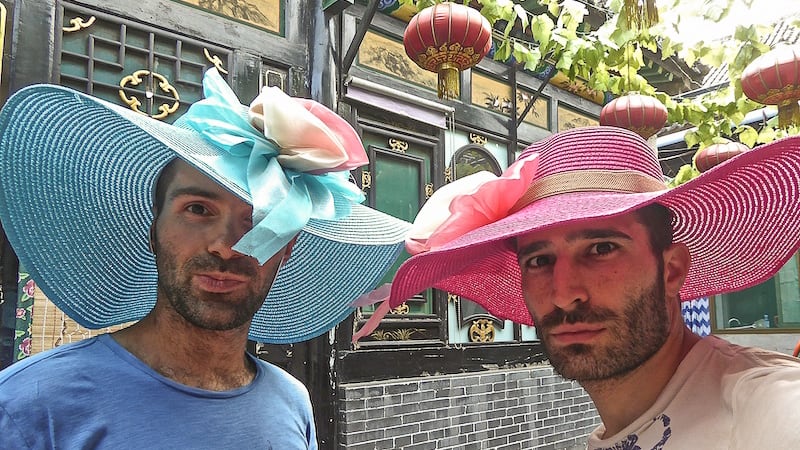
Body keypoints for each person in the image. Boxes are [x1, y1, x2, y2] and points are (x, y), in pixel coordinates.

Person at [0, 68, 409, 448]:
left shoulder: (291, 401)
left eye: (262, 221)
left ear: (286, 249)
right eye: (197, 209)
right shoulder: (31, 405)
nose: (227, 246)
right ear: (153, 234)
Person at [354, 126, 800, 448]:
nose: (564, 293)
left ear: (671, 270)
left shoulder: (762, 409)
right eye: (539, 259)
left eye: (601, 248)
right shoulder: (611, 435)